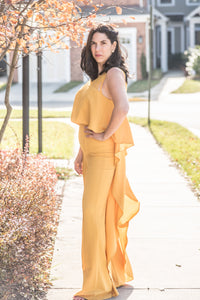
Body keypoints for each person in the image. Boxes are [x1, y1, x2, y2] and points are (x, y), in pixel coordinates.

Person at [71, 23, 140, 300]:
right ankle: (113, 275)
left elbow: (123, 108)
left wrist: (103, 136)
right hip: (92, 157)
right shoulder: (97, 76)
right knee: (103, 217)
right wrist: (81, 152)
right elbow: (92, 119)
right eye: (93, 43)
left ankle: (97, 286)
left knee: (92, 218)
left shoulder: (113, 73)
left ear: (114, 46)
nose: (97, 48)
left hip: (103, 158)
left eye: (103, 43)